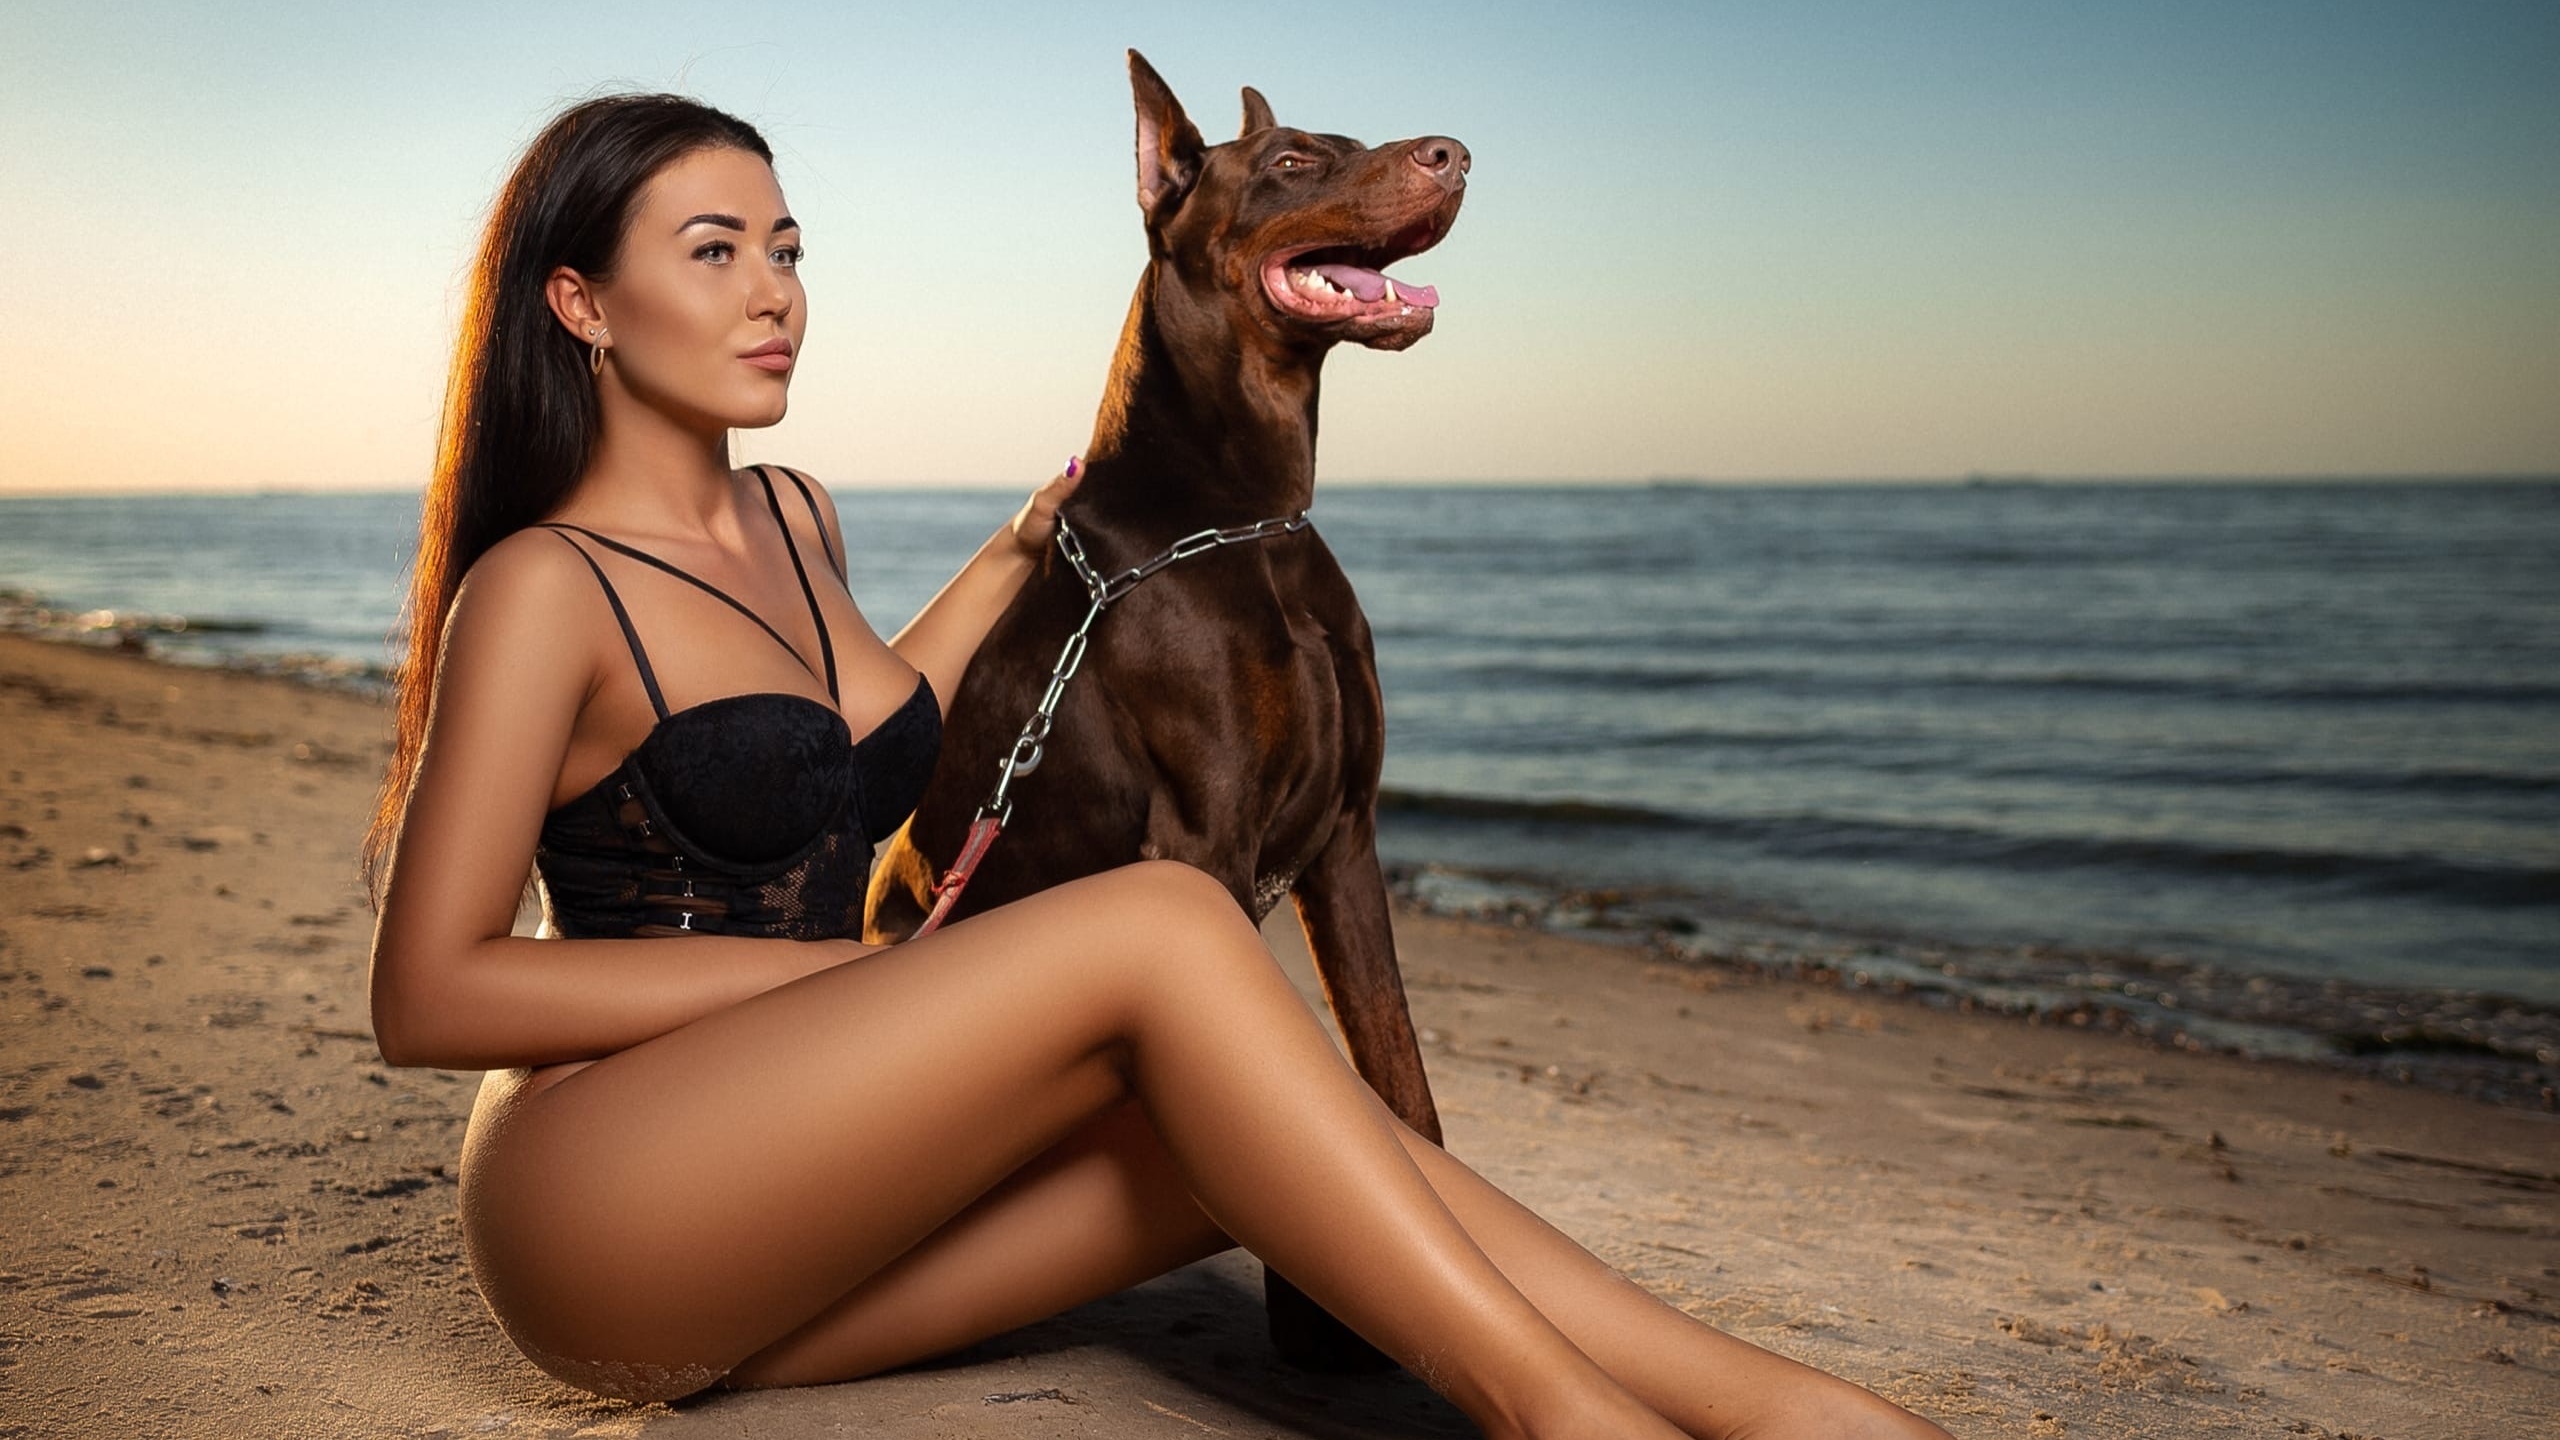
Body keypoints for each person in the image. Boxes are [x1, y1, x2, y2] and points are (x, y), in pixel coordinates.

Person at [362, 91, 1955, 1440]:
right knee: (1169, 920)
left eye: (786, 249)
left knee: (1243, 1136)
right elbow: (428, 998)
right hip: (606, 1217)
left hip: (788, 1209)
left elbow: (849, 735)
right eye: (713, 254)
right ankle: (1572, 1422)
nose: (773, 292)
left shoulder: (794, 517)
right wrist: (817, 983)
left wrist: (1014, 549)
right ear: (581, 304)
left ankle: (1784, 1411)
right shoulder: (541, 590)